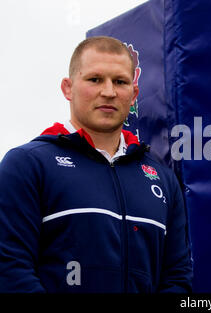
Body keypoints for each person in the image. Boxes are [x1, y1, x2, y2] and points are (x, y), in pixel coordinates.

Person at [0, 36, 192, 293]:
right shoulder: (27, 164)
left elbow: (177, 278)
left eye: (120, 82)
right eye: (95, 79)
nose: (109, 92)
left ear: (134, 94)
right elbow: (10, 268)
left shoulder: (163, 178)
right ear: (68, 88)